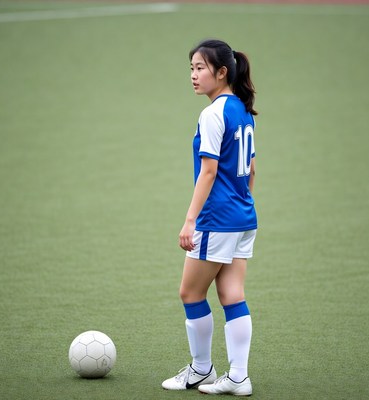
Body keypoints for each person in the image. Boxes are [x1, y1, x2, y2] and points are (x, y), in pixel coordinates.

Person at [161, 39, 258, 396]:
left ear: (222, 72)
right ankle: (238, 377)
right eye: (191, 68)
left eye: (200, 68)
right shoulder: (243, 110)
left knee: (190, 292)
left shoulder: (213, 113)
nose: (193, 75)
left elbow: (209, 171)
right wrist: (242, 202)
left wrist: (190, 221)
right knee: (232, 294)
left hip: (217, 220)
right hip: (243, 217)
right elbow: (250, 168)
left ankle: (202, 369)